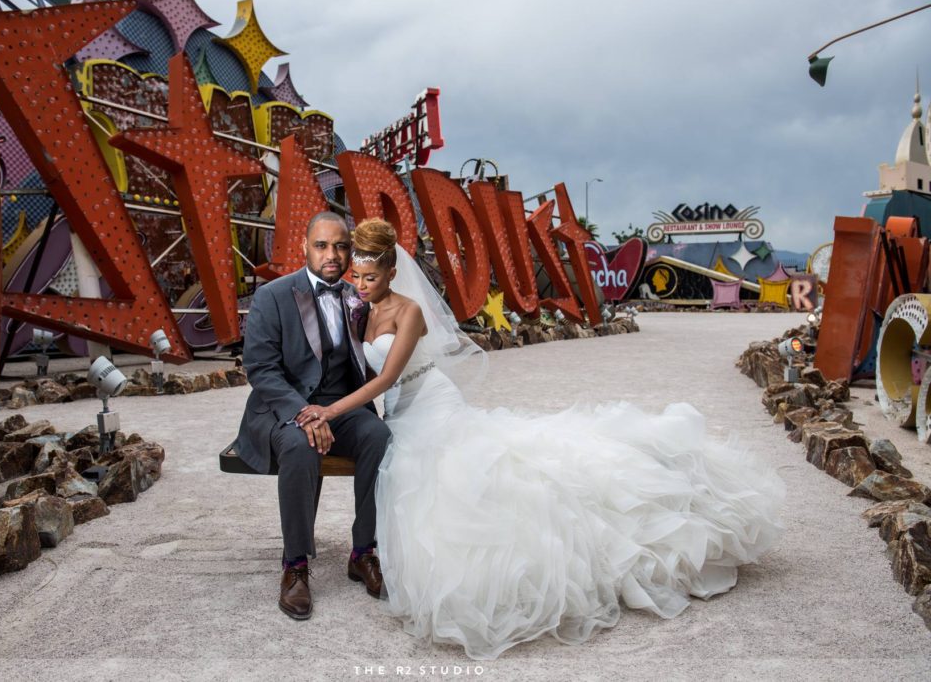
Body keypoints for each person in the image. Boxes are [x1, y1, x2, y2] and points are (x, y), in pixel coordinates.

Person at [295, 218, 785, 660]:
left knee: (473, 478)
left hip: (431, 404)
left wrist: (329, 410)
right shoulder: (361, 307)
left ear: (391, 273)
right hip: (401, 416)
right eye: (356, 277)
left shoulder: (409, 313)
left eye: (370, 277)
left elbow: (386, 378)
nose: (360, 284)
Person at [232, 211, 390, 621]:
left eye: (340, 246)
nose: (332, 255)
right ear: (305, 248)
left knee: (380, 437)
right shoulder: (274, 295)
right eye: (322, 245)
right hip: (284, 407)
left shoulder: (361, 296)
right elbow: (261, 368)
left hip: (342, 405)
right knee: (301, 451)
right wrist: (305, 413)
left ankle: (363, 552)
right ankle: (295, 565)